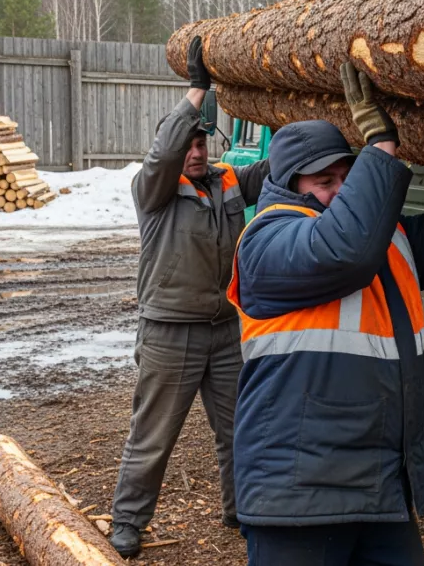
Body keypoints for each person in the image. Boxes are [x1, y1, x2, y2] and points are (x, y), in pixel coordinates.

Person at [228, 62, 424, 565]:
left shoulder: (385, 240)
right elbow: (345, 250)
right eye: (325, 180)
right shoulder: (266, 242)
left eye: (349, 176)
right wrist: (380, 149)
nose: (342, 190)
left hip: (382, 490)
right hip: (299, 497)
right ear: (286, 186)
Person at [109, 36, 270, 558]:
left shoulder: (225, 181)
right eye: (189, 145)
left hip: (224, 332)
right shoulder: (153, 190)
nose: (197, 152)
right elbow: (163, 154)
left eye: (202, 143)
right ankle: (129, 521)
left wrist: (294, 113)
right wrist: (197, 90)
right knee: (152, 437)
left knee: (238, 430)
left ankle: (240, 509)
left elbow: (273, 171)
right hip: (169, 332)